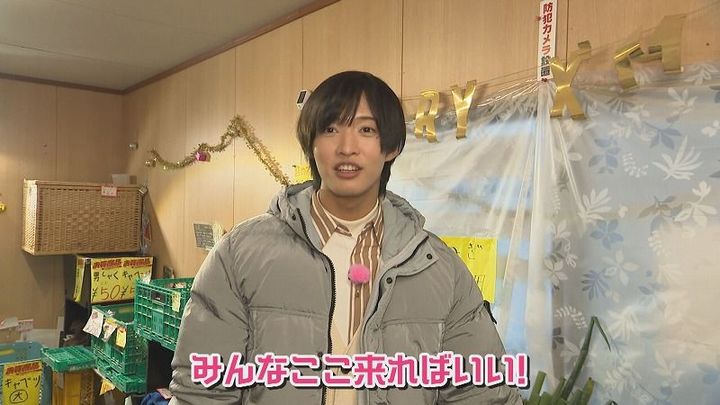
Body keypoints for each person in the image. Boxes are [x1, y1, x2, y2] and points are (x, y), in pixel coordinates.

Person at [169, 71, 522, 404]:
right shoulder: (240, 253)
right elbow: (201, 393)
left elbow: (484, 393)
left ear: (390, 147)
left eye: (367, 130)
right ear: (311, 144)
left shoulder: (438, 266)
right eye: (330, 128)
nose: (347, 146)